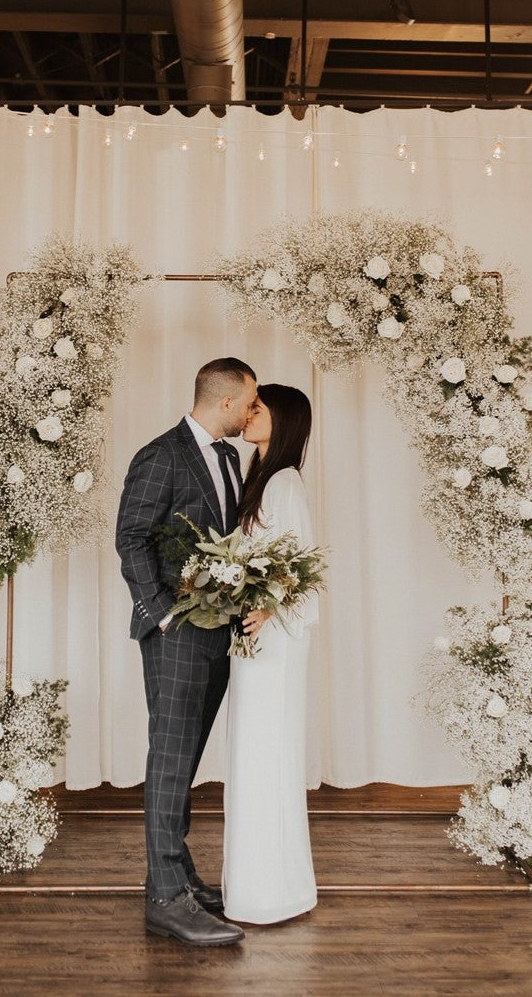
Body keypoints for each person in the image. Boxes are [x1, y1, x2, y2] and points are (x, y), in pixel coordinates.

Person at [116, 357, 258, 946]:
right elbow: (131, 537)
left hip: (217, 633)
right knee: (170, 759)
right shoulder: (161, 454)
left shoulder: (231, 458)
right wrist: (161, 615)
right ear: (225, 401)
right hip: (176, 634)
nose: (253, 413)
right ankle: (165, 898)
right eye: (249, 403)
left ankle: (179, 874)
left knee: (187, 759)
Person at [222, 383, 318, 925]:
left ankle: (273, 891)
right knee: (248, 752)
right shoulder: (257, 478)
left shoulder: (285, 482)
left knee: (268, 752)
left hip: (273, 638)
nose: (248, 413)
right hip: (250, 633)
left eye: (258, 409)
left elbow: (302, 565)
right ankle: (251, 887)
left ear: (281, 422)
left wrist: (269, 607)